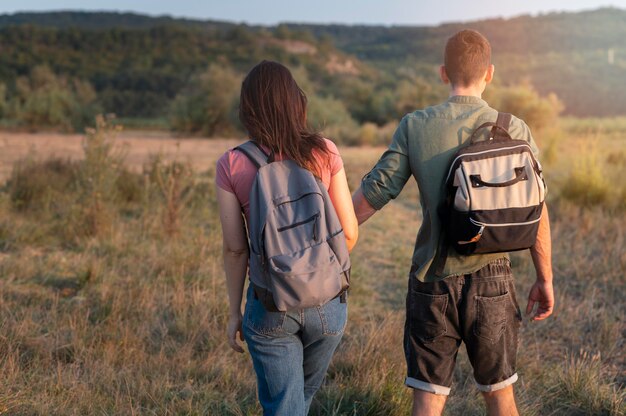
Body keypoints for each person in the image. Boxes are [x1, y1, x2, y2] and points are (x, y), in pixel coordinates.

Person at [351, 30, 554, 416]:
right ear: (489, 73)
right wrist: (544, 278)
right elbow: (538, 210)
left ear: (443, 73)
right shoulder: (514, 129)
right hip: (493, 279)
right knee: (500, 396)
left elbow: (375, 193)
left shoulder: (415, 125)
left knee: (428, 401)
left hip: (432, 279)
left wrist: (332, 237)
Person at [216, 60, 358, 416]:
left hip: (270, 304)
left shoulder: (232, 163)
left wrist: (234, 312)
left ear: (247, 109)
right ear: (297, 101)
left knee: (285, 407)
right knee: (298, 402)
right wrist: (315, 272)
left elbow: (235, 249)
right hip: (328, 305)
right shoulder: (325, 151)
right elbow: (349, 233)